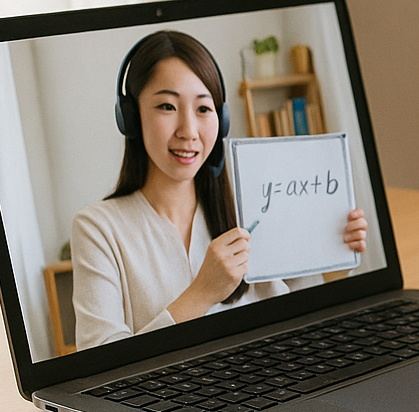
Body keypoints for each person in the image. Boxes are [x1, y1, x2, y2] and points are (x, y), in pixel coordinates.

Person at [72, 30, 367, 349]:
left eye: (203, 109)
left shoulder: (255, 205)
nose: (188, 131)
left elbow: (303, 311)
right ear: (131, 117)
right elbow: (99, 361)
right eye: (167, 107)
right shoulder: (97, 228)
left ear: (221, 119)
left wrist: (333, 262)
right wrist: (201, 294)